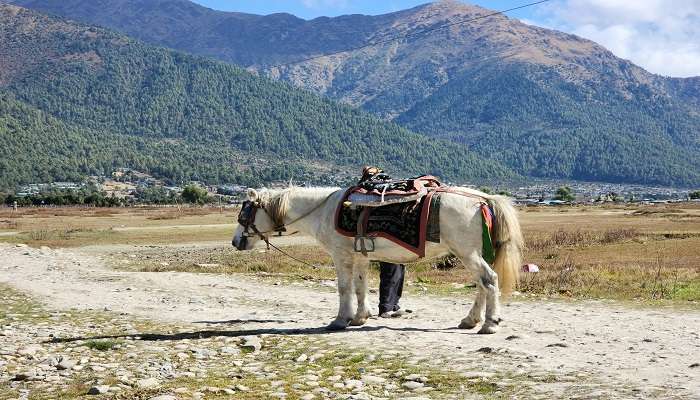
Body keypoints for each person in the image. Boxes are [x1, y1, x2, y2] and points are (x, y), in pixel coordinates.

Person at [358, 166, 406, 318]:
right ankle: (385, 307)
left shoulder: (368, 190)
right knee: (390, 270)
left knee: (397, 269)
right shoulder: (368, 192)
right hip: (384, 239)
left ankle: (394, 304)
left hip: (388, 238)